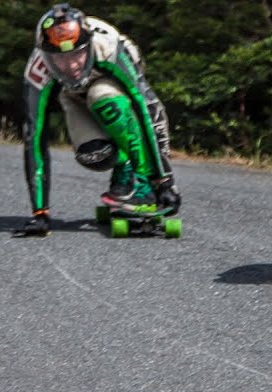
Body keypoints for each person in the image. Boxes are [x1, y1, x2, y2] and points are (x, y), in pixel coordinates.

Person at [13, 4, 180, 237]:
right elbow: (35, 137)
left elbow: (147, 109)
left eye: (77, 55)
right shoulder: (37, 71)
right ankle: (124, 166)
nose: (71, 66)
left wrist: (163, 181)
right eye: (59, 59)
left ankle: (141, 182)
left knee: (102, 97)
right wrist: (40, 213)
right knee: (93, 154)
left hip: (113, 89)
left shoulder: (109, 48)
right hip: (72, 95)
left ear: (89, 46)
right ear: (45, 55)